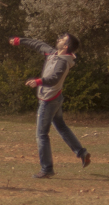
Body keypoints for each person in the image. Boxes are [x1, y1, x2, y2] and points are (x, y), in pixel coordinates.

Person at [9, 33, 91, 178]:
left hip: (49, 101)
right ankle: (81, 152)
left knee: (41, 135)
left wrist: (38, 81)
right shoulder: (52, 53)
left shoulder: (63, 61)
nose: (58, 39)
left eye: (62, 39)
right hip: (56, 99)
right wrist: (20, 41)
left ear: (66, 46)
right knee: (61, 127)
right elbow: (38, 44)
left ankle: (47, 169)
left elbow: (54, 78)